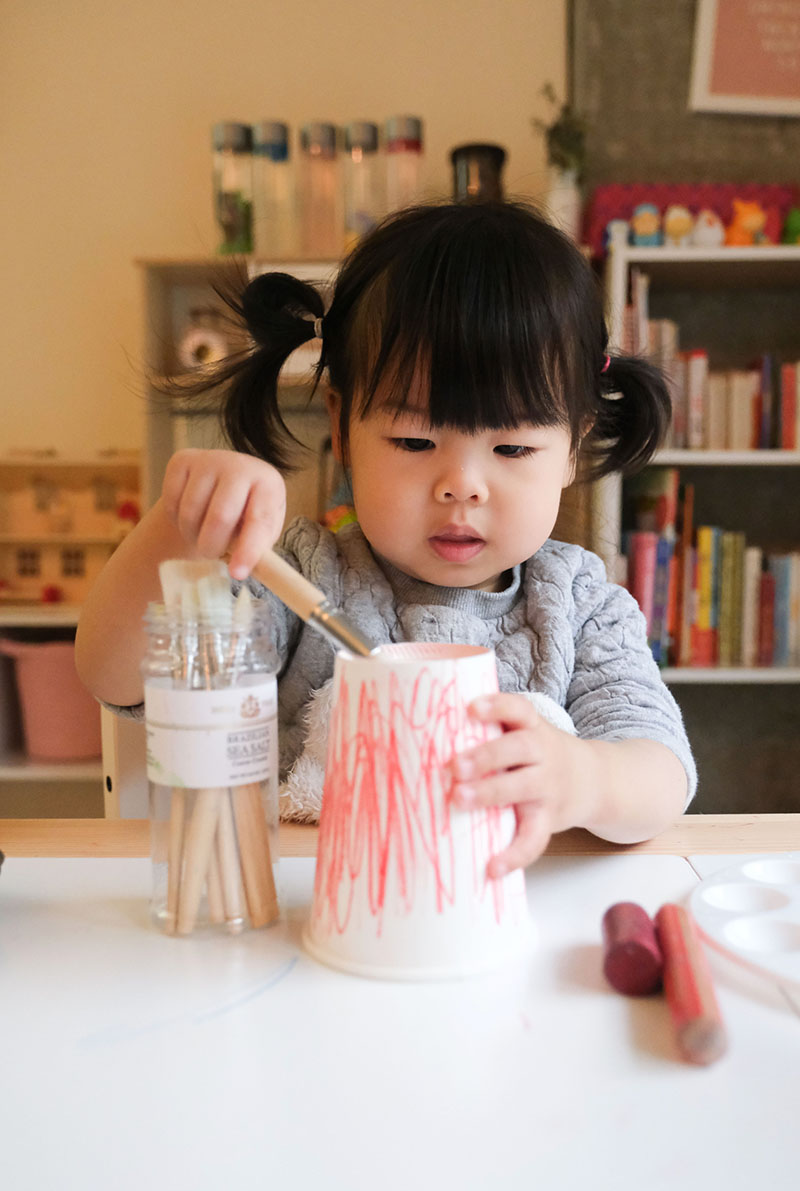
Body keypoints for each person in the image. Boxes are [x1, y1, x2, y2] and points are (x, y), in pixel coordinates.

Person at [75, 200, 695, 874]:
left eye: (512, 448)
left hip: (511, 935)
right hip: (322, 926)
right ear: (342, 429)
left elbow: (662, 776)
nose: (461, 485)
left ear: (572, 448)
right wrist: (179, 527)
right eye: (413, 440)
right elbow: (117, 678)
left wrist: (583, 777)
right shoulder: (300, 577)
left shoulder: (580, 607)